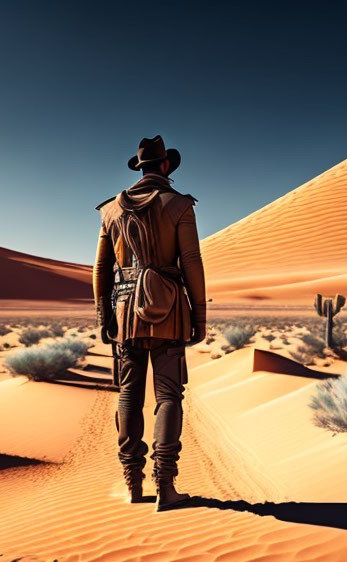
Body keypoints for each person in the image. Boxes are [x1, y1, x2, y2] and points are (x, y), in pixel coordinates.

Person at [93, 135, 207, 511]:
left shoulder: (111, 211)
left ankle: (132, 484)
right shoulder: (179, 205)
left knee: (128, 394)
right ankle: (165, 486)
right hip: (170, 311)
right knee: (169, 396)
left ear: (140, 167)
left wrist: (104, 315)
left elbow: (101, 270)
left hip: (126, 313)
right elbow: (192, 262)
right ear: (165, 166)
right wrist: (200, 317)